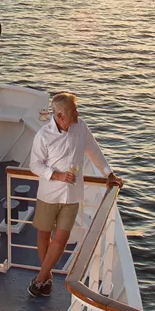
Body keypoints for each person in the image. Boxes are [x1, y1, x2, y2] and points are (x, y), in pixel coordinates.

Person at [27, 93, 122, 297]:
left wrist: (109, 174)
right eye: (73, 110)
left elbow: (94, 151)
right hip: (49, 194)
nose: (77, 113)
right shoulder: (43, 135)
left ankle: (40, 279)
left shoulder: (81, 128)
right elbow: (34, 165)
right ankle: (47, 277)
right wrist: (57, 175)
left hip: (71, 195)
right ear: (61, 115)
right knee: (44, 234)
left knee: (61, 238)